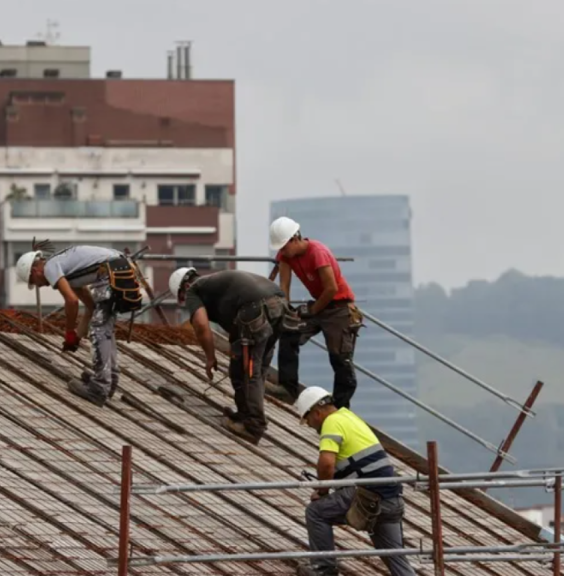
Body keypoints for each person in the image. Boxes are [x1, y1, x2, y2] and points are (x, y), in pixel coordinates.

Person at [295, 386, 416, 576]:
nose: (310, 425)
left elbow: (326, 464)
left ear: (317, 412)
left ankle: (323, 569)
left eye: (308, 419)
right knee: (396, 559)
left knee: (316, 512)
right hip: (391, 498)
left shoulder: (332, 422)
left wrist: (322, 491)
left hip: (367, 496)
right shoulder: (349, 417)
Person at [168, 267, 287, 444]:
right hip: (280, 306)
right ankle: (245, 414)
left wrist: (210, 357)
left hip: (255, 310)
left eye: (182, 298)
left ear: (184, 286)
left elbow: (201, 326)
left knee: (248, 371)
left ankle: (254, 426)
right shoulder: (214, 282)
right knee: (253, 369)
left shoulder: (194, 289)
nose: (186, 303)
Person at [16, 245, 143, 406]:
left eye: (34, 282)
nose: (40, 286)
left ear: (35, 271)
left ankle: (99, 387)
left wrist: (69, 332)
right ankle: (109, 379)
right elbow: (90, 308)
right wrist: (76, 337)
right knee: (103, 328)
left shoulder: (50, 267)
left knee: (99, 330)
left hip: (112, 274)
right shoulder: (70, 272)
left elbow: (71, 301)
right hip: (121, 271)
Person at [270, 216, 362, 409]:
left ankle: (340, 408)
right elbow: (284, 284)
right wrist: (286, 310)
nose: (282, 252)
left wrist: (313, 310)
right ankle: (288, 387)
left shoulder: (317, 253)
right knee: (289, 333)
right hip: (319, 306)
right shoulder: (286, 255)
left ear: (295, 239)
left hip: (339, 308)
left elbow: (331, 288)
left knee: (340, 359)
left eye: (284, 247)